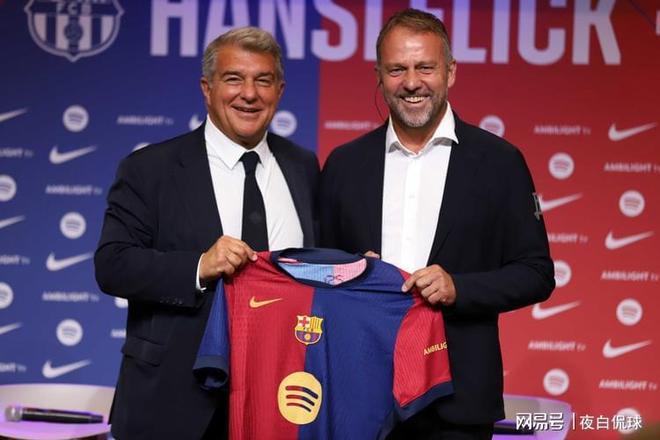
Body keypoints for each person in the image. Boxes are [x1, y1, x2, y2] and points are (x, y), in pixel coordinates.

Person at [320, 8, 554, 440]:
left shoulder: (500, 162)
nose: (411, 82)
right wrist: (351, 272)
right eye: (397, 69)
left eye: (425, 67)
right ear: (378, 76)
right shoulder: (344, 165)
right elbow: (318, 272)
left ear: (450, 72)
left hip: (458, 402)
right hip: (360, 395)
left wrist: (458, 288)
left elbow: (536, 274)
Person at [95, 27, 319, 440]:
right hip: (173, 402)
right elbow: (112, 265)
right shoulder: (150, 168)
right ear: (207, 88)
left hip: (278, 396)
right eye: (234, 78)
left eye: (263, 80)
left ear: (280, 90)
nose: (249, 94)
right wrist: (199, 266)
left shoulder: (304, 166)